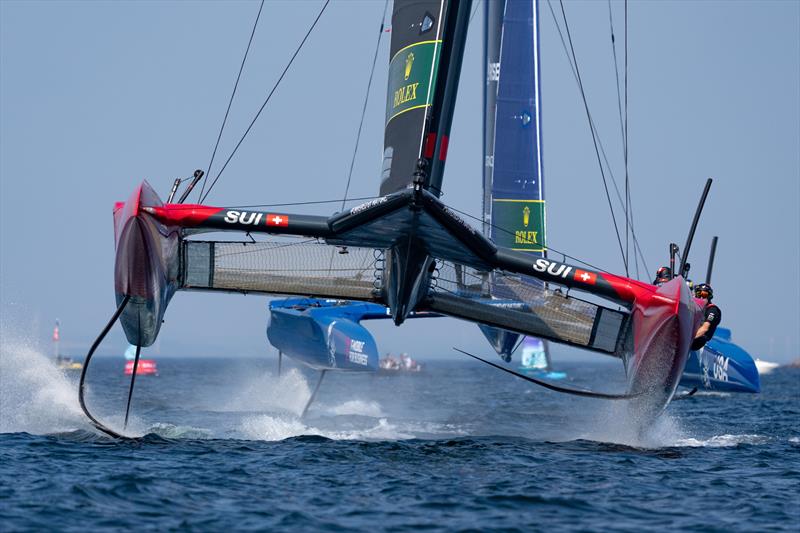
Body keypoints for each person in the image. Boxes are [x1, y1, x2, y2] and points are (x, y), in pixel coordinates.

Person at [691, 283, 721, 350]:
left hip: (698, 340)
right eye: (699, 294)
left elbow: (705, 328)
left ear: (709, 296)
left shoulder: (712, 310)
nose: (701, 297)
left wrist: (689, 339)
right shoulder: (692, 306)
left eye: (704, 295)